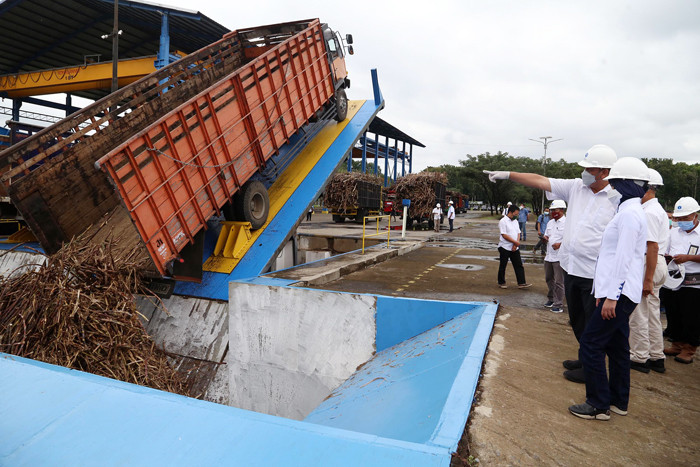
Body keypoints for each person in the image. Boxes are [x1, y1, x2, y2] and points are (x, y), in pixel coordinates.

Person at [485, 144, 618, 384]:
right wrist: (507, 174)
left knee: (592, 323)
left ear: (604, 172)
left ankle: (592, 370)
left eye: (590, 168)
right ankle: (585, 357)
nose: (584, 172)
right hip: (571, 266)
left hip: (596, 272)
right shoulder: (577, 187)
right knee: (577, 319)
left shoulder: (616, 198)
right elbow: (539, 180)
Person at [568, 157, 649, 420]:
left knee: (591, 344)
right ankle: (618, 400)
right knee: (616, 347)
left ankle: (598, 403)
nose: (612, 188)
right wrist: (605, 293)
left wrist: (611, 297)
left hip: (619, 294)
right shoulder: (630, 211)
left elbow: (623, 258)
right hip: (618, 292)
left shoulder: (629, 215)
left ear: (623, 184)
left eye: (615, 183)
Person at [628, 168, 669, 374]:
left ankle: (639, 356)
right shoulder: (656, 209)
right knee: (652, 312)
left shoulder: (649, 212)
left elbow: (651, 246)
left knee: (639, 312)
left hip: (649, 263)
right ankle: (656, 355)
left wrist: (647, 278)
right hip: (657, 263)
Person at [662, 196, 700, 364]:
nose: (682, 221)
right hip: (673, 279)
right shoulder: (673, 233)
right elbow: (664, 250)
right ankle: (677, 344)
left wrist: (688, 258)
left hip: (694, 282)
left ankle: (689, 349)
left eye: (686, 218)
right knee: (674, 313)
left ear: (695, 216)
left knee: (691, 316)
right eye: (680, 218)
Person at [497, 205, 532, 289]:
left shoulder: (515, 221)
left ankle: (521, 283)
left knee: (518, 265)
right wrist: (515, 242)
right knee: (503, 265)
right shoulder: (503, 221)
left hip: (514, 247)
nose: (517, 215)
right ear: (510, 212)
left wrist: (516, 244)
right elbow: (504, 235)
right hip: (504, 247)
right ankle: (501, 282)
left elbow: (518, 233)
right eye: (515, 214)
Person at [543, 200, 567, 313]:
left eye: (555, 210)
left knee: (559, 281)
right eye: (552, 210)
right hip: (549, 256)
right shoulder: (550, 223)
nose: (553, 212)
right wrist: (545, 238)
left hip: (559, 257)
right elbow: (546, 235)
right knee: (549, 278)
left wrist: (560, 244)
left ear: (562, 210)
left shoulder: (568, 223)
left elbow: (571, 239)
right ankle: (551, 298)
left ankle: (558, 304)